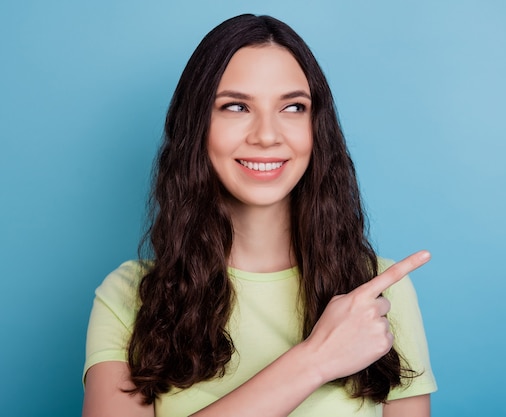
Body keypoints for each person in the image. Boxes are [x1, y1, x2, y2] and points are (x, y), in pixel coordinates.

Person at [82, 14, 437, 417]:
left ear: (316, 127)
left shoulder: (377, 295)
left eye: (293, 107)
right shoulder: (130, 296)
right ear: (197, 125)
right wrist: (315, 360)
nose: (267, 135)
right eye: (235, 106)